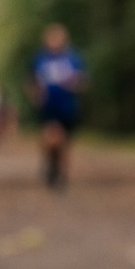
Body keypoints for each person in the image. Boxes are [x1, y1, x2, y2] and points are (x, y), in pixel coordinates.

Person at [27, 23, 87, 188]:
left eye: (58, 37)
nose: (55, 41)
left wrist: (76, 84)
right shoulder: (40, 59)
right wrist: (35, 95)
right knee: (50, 136)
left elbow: (83, 80)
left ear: (64, 39)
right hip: (48, 106)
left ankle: (61, 171)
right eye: (51, 38)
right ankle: (51, 164)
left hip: (67, 105)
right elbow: (31, 80)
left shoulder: (73, 58)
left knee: (64, 141)